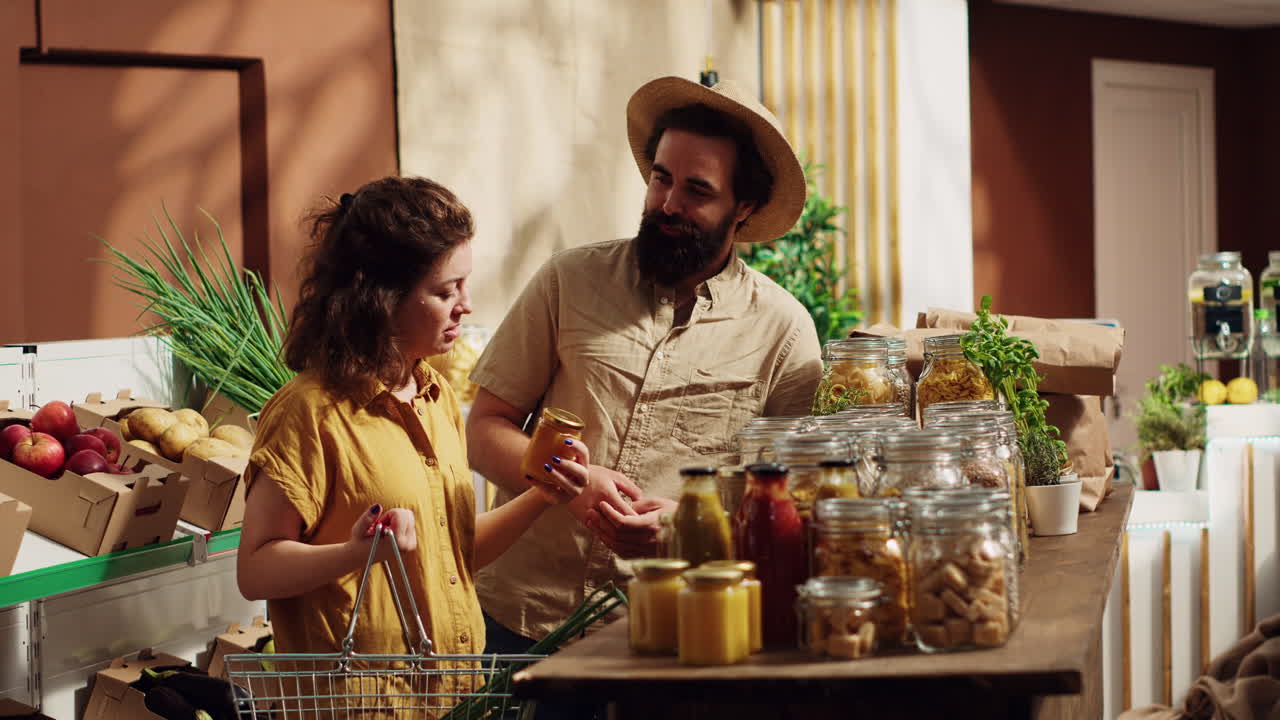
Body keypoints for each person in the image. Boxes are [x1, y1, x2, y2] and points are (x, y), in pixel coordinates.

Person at [466, 76, 824, 654]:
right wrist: (571, 489)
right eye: (661, 178)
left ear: (745, 207)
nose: (667, 204)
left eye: (697, 190)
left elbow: (795, 503)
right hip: (521, 616)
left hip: (679, 626)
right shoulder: (568, 281)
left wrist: (689, 523)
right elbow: (484, 431)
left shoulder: (784, 332)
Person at [235, 177, 588, 703]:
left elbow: (453, 552)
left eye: (464, 286)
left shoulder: (437, 396)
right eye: (445, 291)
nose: (464, 305)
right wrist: (355, 553)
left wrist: (543, 495)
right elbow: (256, 569)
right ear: (381, 300)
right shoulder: (309, 412)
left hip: (453, 700)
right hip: (360, 709)